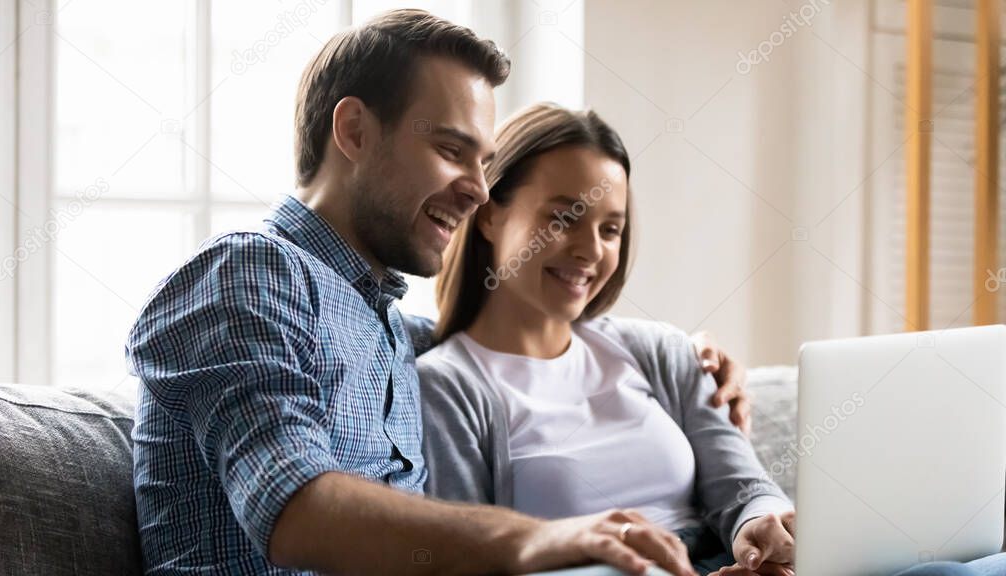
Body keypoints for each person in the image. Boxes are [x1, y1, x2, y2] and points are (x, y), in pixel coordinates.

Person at [126, 10, 749, 576]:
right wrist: (540, 539)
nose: (479, 190)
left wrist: (688, 362)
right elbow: (296, 507)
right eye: (452, 151)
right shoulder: (247, 274)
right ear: (355, 131)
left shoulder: (391, 327)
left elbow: (511, 343)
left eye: (484, 162)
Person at [416, 102, 1006, 576]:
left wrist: (762, 528)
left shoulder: (658, 351)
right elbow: (471, 557)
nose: (591, 250)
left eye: (610, 228)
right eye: (563, 217)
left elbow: (742, 484)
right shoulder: (449, 385)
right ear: (489, 214)